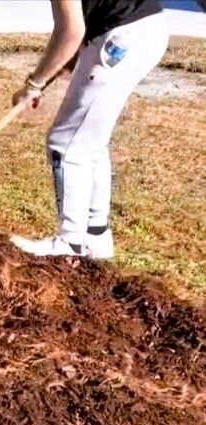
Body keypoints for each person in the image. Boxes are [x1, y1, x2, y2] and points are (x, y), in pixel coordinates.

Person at [11, 0, 169, 258]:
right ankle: (95, 237)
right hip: (149, 28)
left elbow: (71, 31)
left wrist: (34, 84)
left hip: (121, 37)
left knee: (66, 142)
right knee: (90, 140)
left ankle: (69, 244)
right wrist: (58, 67)